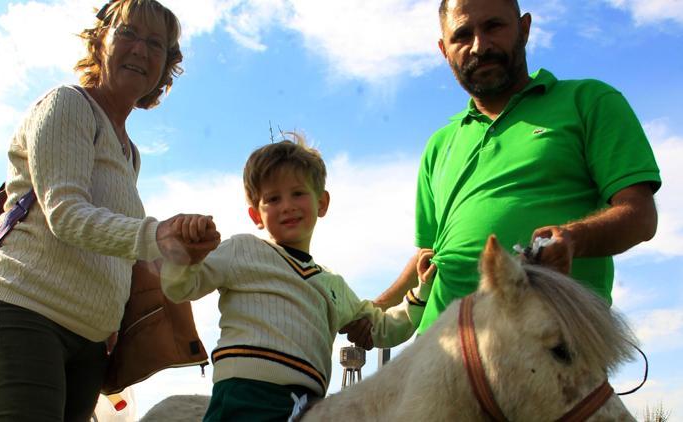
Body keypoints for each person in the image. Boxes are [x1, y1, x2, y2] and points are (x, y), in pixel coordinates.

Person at [346, 0, 661, 342]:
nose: (479, 45)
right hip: (440, 353)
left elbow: (640, 216)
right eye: (462, 35)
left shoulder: (588, 101)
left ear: (524, 29)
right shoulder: (439, 144)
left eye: (494, 26)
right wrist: (374, 309)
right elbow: (430, 257)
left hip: (545, 346)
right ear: (443, 49)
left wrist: (572, 239)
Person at [0, 1, 217, 420]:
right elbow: (65, 213)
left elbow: (117, 244)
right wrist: (157, 234)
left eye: (156, 43)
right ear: (101, 40)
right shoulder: (66, 105)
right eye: (129, 33)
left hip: (92, 342)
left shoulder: (130, 155)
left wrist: (178, 253)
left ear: (165, 67)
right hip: (24, 312)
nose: (140, 49)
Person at [160, 133, 427, 421]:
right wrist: (184, 254)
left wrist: (421, 292)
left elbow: (384, 329)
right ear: (256, 216)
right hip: (242, 397)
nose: (286, 205)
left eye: (298, 193)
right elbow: (181, 288)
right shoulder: (241, 249)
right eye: (273, 198)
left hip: (307, 407)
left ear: (322, 203)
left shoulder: (332, 286)